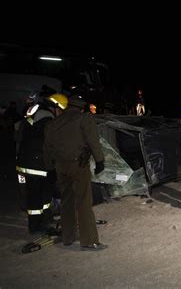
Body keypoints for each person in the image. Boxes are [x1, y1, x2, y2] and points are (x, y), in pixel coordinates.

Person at [43, 94, 107, 251]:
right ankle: (89, 241)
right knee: (84, 202)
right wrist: (100, 160)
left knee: (66, 201)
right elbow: (93, 141)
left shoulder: (53, 123)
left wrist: (49, 168)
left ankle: (68, 237)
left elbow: (46, 148)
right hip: (78, 165)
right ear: (81, 107)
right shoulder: (84, 118)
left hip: (60, 166)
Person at [15, 93, 67, 234]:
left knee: (41, 195)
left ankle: (44, 220)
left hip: (27, 162)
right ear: (55, 108)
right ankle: (36, 226)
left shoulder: (35, 113)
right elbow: (50, 144)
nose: (60, 114)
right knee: (36, 197)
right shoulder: (47, 120)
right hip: (36, 165)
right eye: (61, 110)